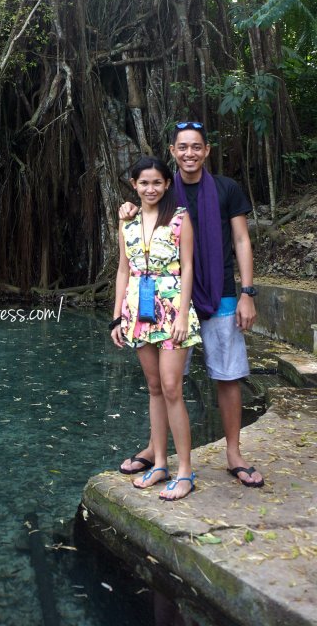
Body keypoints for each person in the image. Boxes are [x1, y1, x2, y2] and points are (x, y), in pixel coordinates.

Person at [118, 121, 264, 488]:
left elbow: (242, 240)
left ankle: (233, 452)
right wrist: (129, 210)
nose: (189, 153)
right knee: (166, 382)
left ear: (207, 150)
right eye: (182, 147)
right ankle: (156, 450)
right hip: (168, 299)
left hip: (219, 291)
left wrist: (247, 292)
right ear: (172, 151)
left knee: (227, 373)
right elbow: (145, 219)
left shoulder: (226, 189)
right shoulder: (164, 190)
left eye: (196, 146)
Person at [111, 155, 201, 501]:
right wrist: (118, 316)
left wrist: (181, 316)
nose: (150, 188)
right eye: (143, 183)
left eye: (157, 182)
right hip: (138, 312)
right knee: (153, 387)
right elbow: (123, 271)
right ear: (134, 185)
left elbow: (189, 268)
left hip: (173, 312)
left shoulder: (179, 220)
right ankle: (159, 463)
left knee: (171, 387)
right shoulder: (127, 224)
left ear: (167, 185)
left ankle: (184, 471)